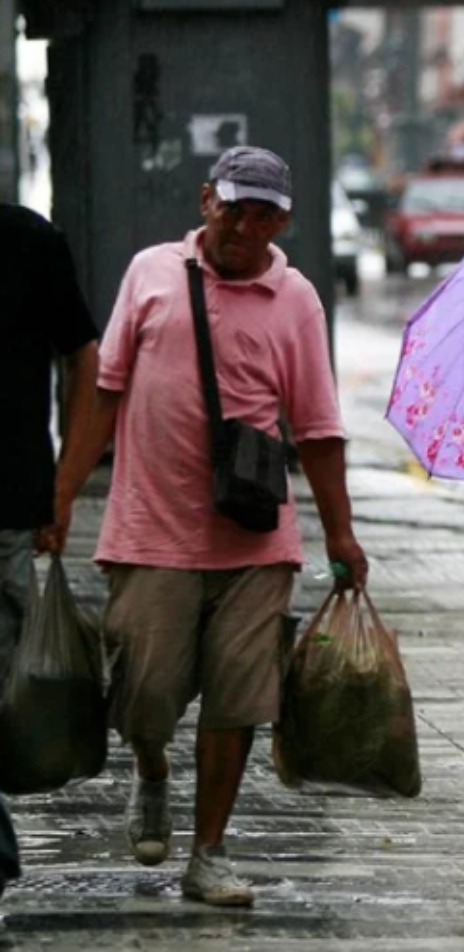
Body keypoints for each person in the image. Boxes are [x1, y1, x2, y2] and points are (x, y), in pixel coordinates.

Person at [55, 145, 369, 908]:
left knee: (238, 698)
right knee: (146, 693)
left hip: (257, 538)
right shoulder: (150, 273)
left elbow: (320, 426)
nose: (245, 225)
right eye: (234, 207)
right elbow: (106, 390)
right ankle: (152, 766)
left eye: (263, 213)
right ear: (206, 201)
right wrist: (61, 494)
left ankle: (209, 853)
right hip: (148, 531)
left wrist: (339, 531)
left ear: (282, 220)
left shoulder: (295, 299)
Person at [0, 204, 100, 899]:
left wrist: (65, 487)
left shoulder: (30, 242)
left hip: (7, 505)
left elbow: (84, 357)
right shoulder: (31, 239)